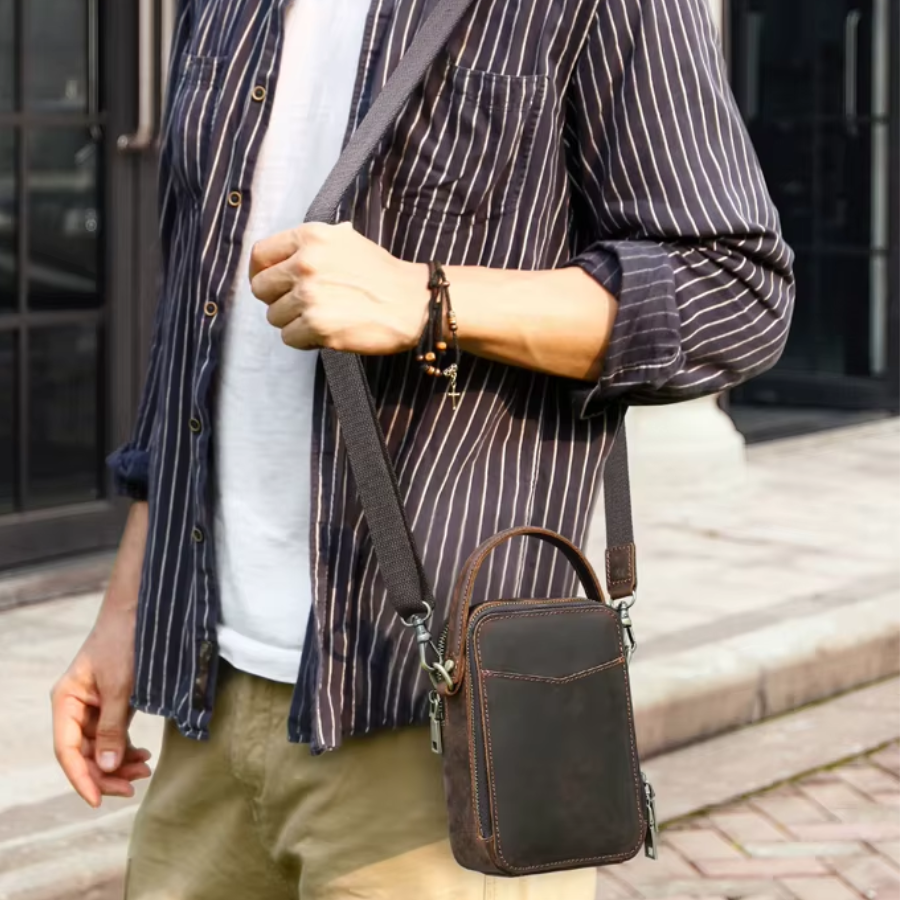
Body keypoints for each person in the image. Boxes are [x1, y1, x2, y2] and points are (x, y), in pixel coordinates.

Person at [51, 0, 795, 897]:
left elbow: (735, 291)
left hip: (441, 718)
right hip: (209, 702)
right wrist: (128, 611)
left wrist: (430, 299)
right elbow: (192, 332)